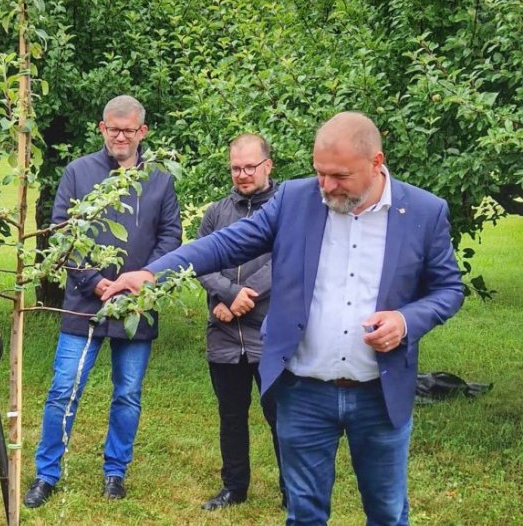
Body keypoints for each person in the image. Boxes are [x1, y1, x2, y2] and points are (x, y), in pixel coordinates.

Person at [104, 112, 464, 525]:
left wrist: (406, 321)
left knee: (385, 512)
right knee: (304, 513)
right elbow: (225, 243)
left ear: (376, 162)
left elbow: (449, 290)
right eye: (319, 172)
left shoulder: (423, 211)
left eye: (339, 176)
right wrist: (154, 272)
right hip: (304, 392)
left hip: (379, 395)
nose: (325, 187)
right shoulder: (296, 199)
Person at [23, 95, 182, 508]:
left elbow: (170, 238)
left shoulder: (160, 178)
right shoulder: (78, 173)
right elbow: (62, 235)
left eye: (129, 130)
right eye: (114, 128)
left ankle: (115, 472)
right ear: (102, 128)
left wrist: (137, 284)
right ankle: (47, 473)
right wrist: (93, 282)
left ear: (142, 132)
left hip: (137, 304)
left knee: (127, 392)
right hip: (83, 301)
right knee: (63, 389)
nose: (120, 136)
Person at [197, 134, 285, 511]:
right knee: (231, 417)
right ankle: (234, 487)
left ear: (268, 165)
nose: (243, 174)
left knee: (280, 417)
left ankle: (292, 491)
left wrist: (241, 296)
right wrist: (227, 295)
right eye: (236, 168)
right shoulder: (216, 213)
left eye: (250, 166)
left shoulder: (286, 210)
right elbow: (199, 260)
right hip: (224, 337)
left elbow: (286, 262)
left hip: (270, 335)